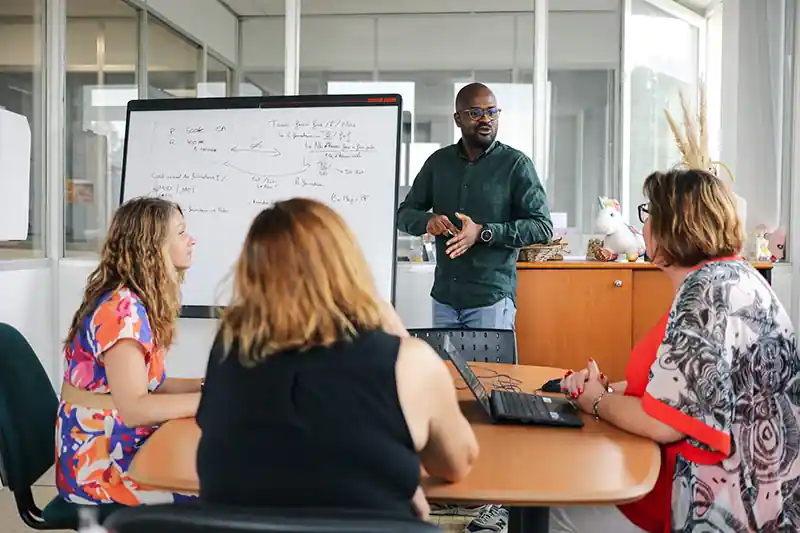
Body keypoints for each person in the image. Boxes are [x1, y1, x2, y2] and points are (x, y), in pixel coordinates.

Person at [196, 198, 479, 519]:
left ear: (251, 273)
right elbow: (456, 463)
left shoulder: (230, 350)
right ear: (349, 265)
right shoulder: (409, 363)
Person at [553, 168, 800, 532]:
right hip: (757, 497)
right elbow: (686, 386)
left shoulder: (705, 295)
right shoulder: (731, 278)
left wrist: (596, 401)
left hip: (721, 509)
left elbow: (664, 422)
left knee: (550, 510)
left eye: (649, 212)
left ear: (675, 225)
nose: (645, 224)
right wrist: (609, 389)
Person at [55, 196, 200, 506]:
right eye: (181, 232)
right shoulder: (121, 312)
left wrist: (208, 384)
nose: (191, 240)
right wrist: (212, 401)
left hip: (118, 445)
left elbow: (152, 384)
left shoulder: (135, 301)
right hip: (98, 469)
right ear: (152, 246)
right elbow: (136, 409)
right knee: (220, 495)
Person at [397, 82, 553, 332]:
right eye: (475, 113)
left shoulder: (515, 165)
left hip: (490, 300)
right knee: (446, 373)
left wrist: (483, 232)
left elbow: (542, 227)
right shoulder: (438, 163)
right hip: (445, 299)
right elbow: (403, 215)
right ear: (458, 119)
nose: (485, 120)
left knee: (490, 373)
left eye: (492, 112)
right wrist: (428, 222)